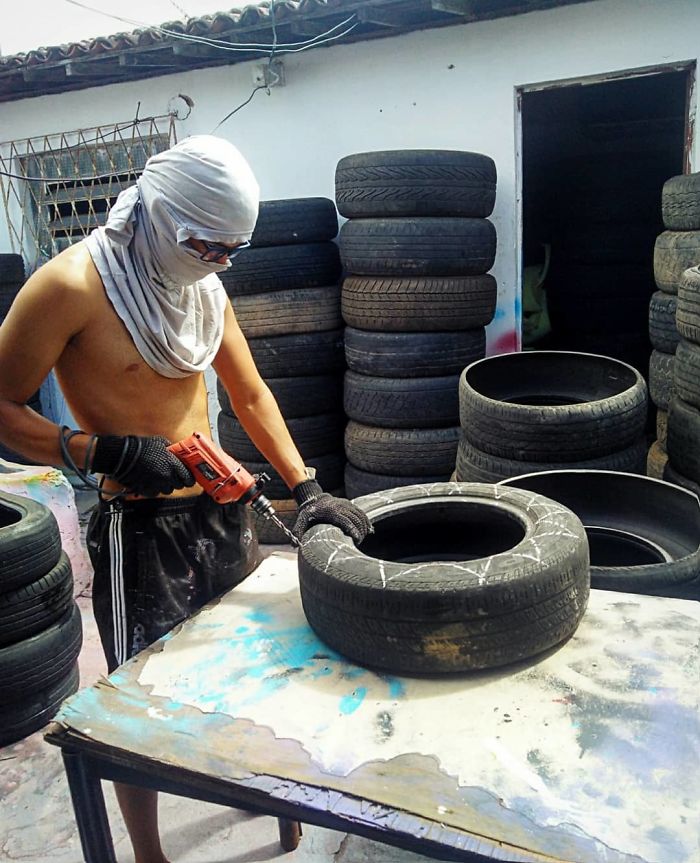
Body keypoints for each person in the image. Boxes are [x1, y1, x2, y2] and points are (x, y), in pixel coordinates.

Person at [0, 134, 371, 863]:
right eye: (211, 245)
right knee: (141, 699)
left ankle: (278, 811)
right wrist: (95, 449)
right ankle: (148, 852)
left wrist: (308, 487)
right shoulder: (68, 286)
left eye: (233, 249)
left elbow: (250, 392)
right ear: (165, 218)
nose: (223, 262)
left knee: (252, 668)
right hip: (137, 525)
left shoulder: (201, 287)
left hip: (217, 502)